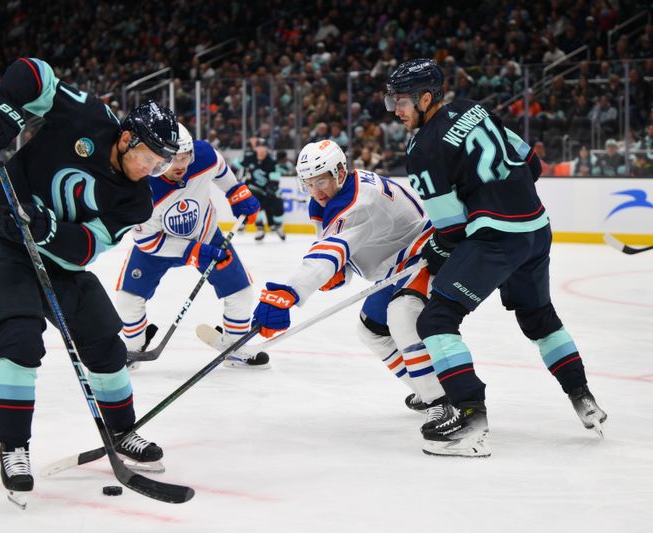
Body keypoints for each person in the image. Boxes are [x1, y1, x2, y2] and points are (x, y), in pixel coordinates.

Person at [0, 57, 180, 499]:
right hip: (7, 251)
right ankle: (14, 447)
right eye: (146, 157)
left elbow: (88, 245)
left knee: (106, 343)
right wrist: (7, 110)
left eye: (159, 165)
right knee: (20, 341)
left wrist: (46, 229)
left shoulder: (137, 201)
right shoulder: (86, 115)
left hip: (62, 266)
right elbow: (32, 71)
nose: (149, 170)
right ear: (126, 138)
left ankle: (123, 432)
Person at [383, 58, 606, 457]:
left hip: (496, 238)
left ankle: (470, 420)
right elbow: (531, 163)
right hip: (536, 228)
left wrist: (434, 253)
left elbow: (450, 231)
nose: (394, 110)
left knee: (435, 319)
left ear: (426, 97)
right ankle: (583, 397)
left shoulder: (423, 148)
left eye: (400, 101)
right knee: (540, 318)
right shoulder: (472, 107)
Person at [252, 139, 448, 422]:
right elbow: (343, 249)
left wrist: (289, 292)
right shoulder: (335, 197)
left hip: (423, 254)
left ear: (340, 173)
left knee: (402, 318)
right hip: (398, 263)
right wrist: (338, 274)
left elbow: (329, 251)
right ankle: (425, 388)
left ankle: (440, 400)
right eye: (307, 183)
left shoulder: (357, 201)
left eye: (320, 182)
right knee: (372, 329)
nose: (314, 191)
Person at [115, 123, 270, 369]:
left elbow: (220, 168)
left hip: (205, 235)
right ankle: (134, 345)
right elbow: (147, 241)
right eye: (173, 159)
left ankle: (235, 343)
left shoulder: (204, 156)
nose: (181, 165)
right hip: (159, 246)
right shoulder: (141, 187)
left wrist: (236, 191)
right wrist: (193, 253)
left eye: (185, 157)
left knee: (240, 291)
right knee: (127, 298)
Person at [233, 137, 286, 241]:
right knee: (256, 207)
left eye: (263, 148)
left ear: (266, 149)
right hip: (253, 189)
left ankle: (278, 226)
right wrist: (232, 178)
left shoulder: (272, 161)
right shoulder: (249, 157)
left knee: (279, 208)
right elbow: (234, 166)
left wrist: (272, 188)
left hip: (268, 190)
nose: (261, 150)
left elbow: (275, 180)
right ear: (255, 148)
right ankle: (260, 228)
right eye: (259, 147)